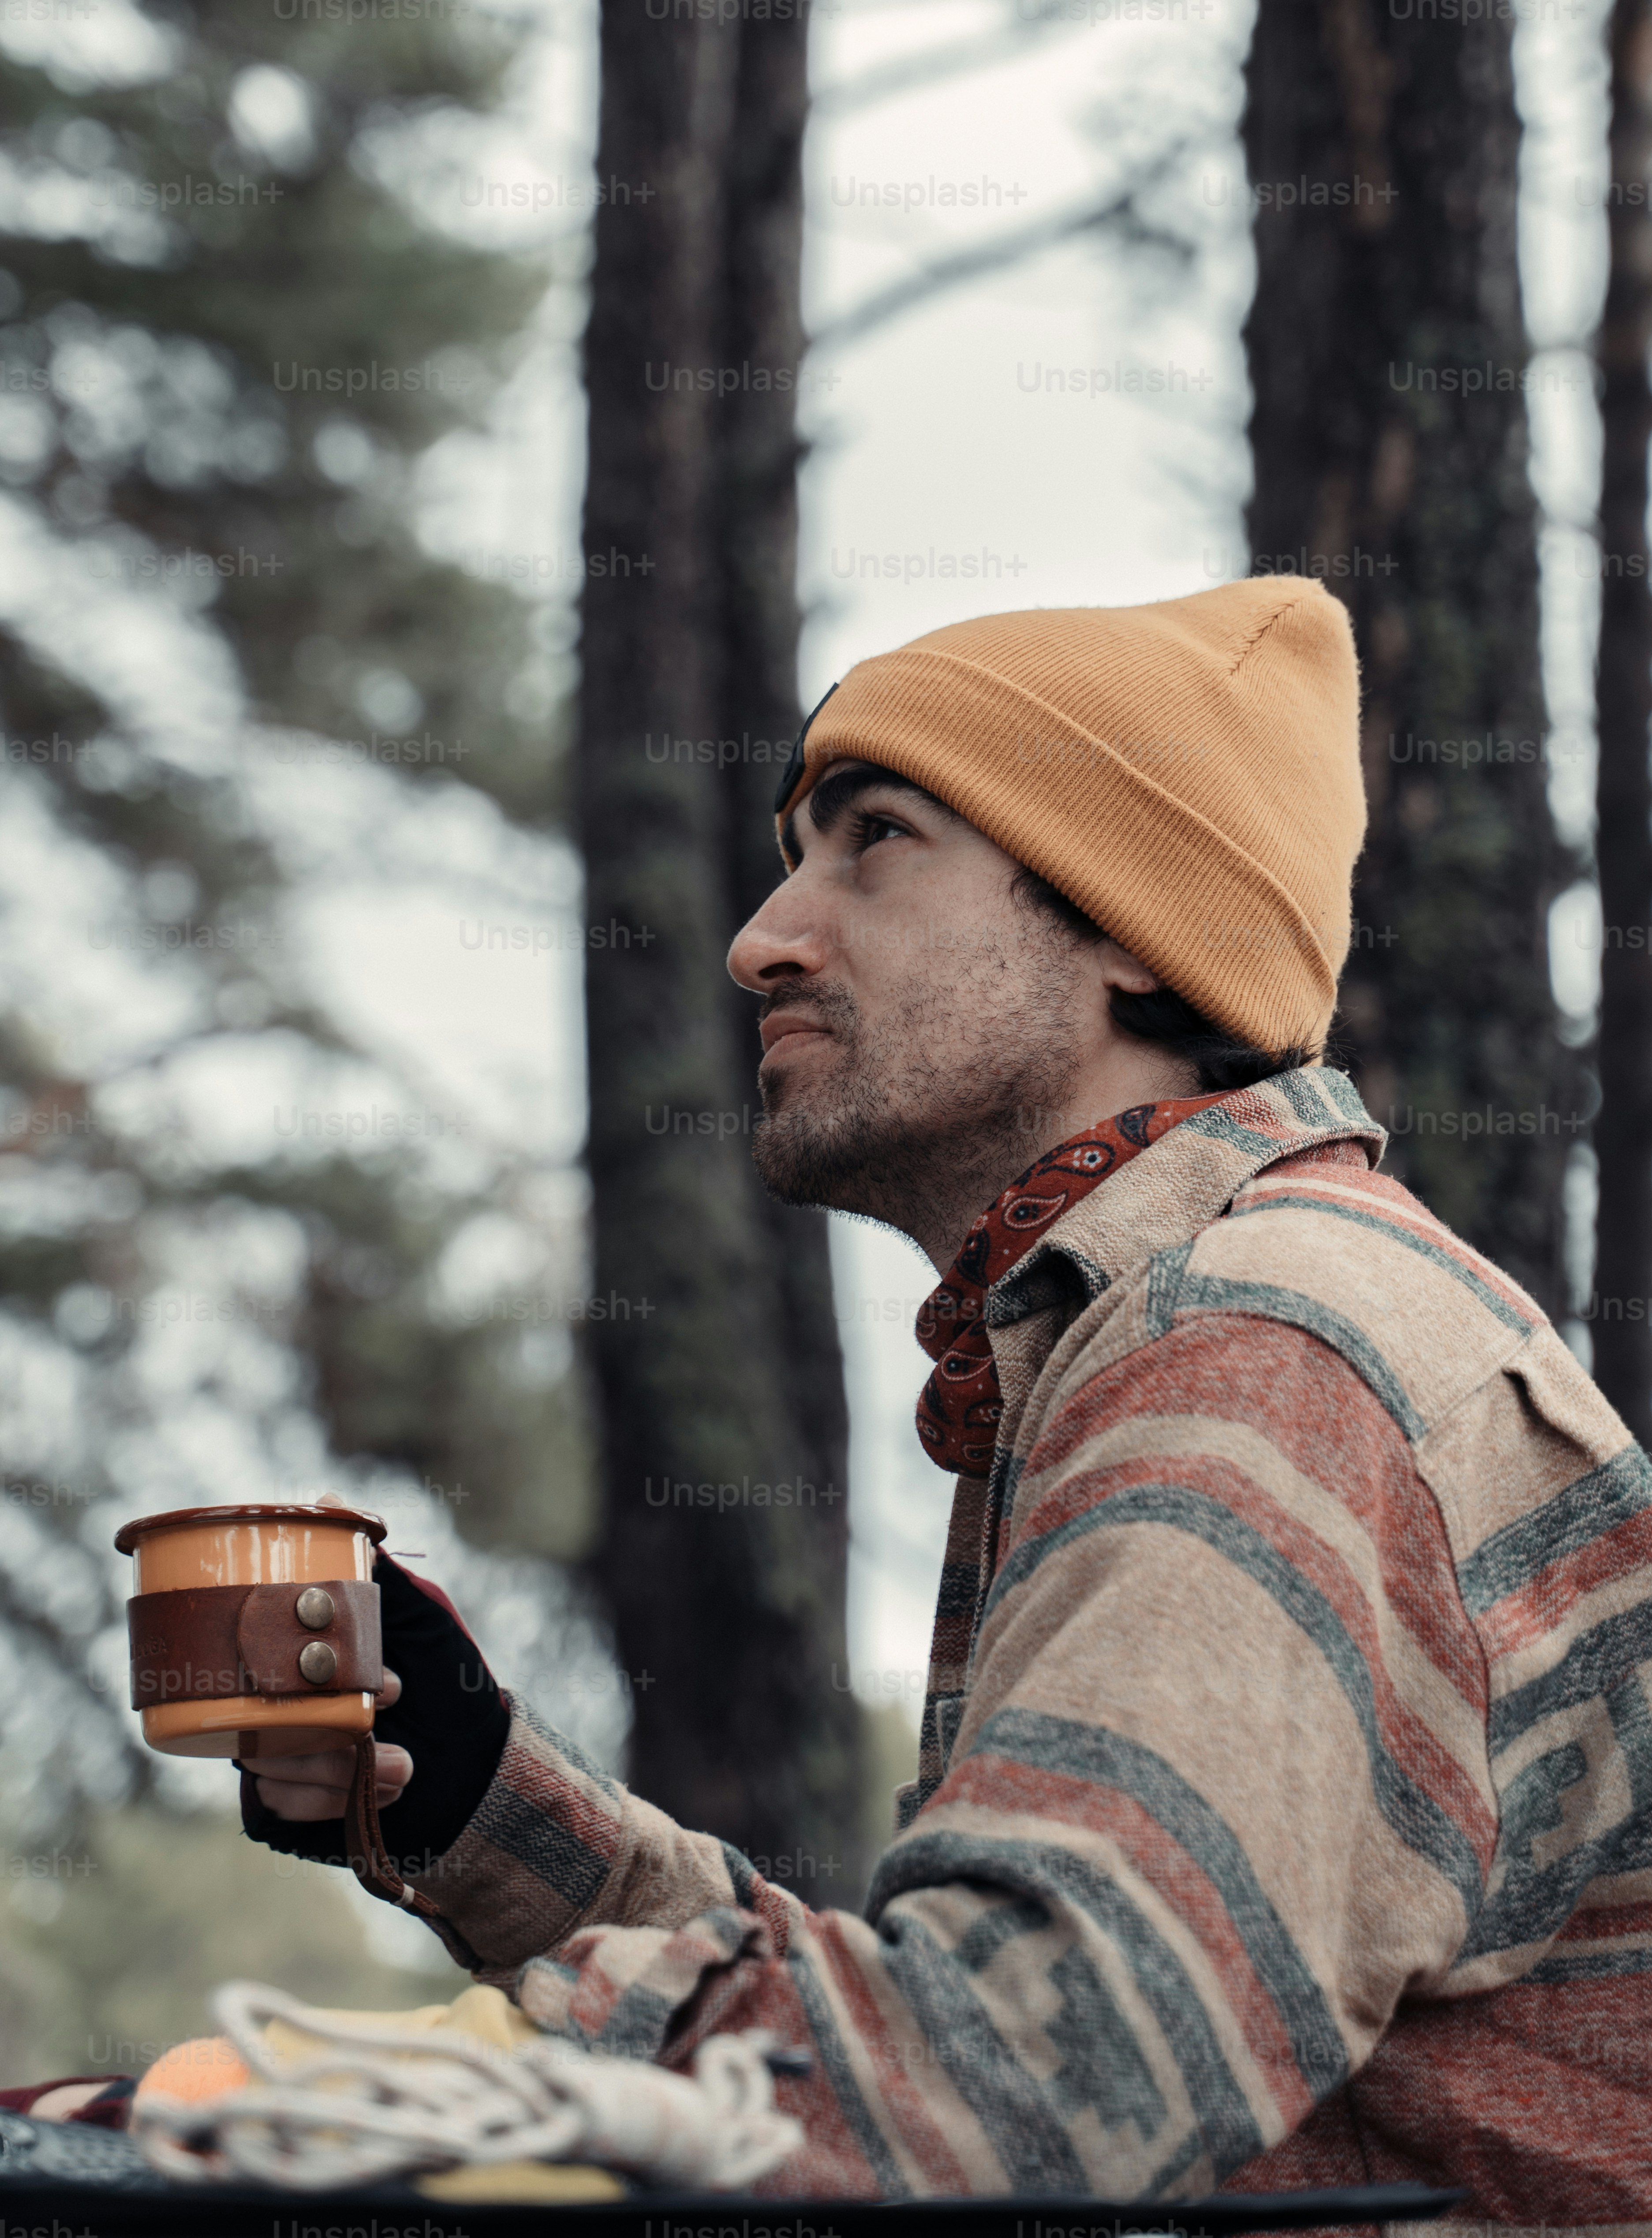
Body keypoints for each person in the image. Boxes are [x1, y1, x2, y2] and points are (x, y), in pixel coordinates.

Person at [239, 582, 1652, 2215]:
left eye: (877, 840)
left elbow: (1025, 2088)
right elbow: (974, 2021)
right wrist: (479, 1797)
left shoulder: (1261, 1345)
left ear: (1137, 925)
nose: (761, 939)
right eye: (797, 854)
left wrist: (335, 2102)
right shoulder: (1178, 1315)